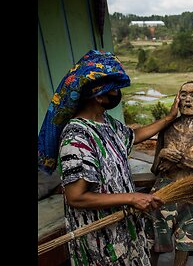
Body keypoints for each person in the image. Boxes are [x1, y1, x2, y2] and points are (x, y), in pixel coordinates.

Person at [37, 49, 179, 265]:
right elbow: (76, 197)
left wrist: (168, 118)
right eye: (114, 90)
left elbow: (134, 135)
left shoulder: (107, 123)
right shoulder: (76, 136)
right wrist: (132, 197)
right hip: (101, 238)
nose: (117, 95)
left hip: (123, 227)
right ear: (98, 94)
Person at [147, 80, 193, 266]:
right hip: (164, 188)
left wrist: (182, 161)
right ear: (177, 100)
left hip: (188, 189)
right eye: (184, 94)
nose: (188, 100)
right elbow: (155, 168)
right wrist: (162, 154)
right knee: (155, 235)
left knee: (186, 238)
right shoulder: (167, 125)